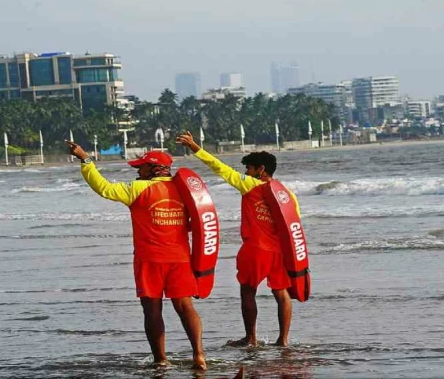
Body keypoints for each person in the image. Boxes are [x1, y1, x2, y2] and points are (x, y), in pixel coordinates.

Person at [65, 141, 207, 370]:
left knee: (152, 310)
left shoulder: (137, 189)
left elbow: (103, 188)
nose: (137, 171)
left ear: (152, 169)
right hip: (180, 258)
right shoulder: (185, 191)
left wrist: (85, 159)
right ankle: (199, 354)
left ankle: (161, 360)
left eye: (141, 167)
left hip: (149, 259)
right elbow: (198, 222)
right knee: (185, 307)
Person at [176, 131, 301, 347]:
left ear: (260, 170)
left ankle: (250, 337)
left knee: (248, 291)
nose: (245, 172)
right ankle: (283, 340)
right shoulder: (286, 194)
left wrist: (195, 147)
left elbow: (219, 168)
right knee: (281, 293)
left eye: (249, 168)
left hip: (255, 249)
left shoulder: (250, 185)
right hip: (280, 252)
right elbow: (294, 226)